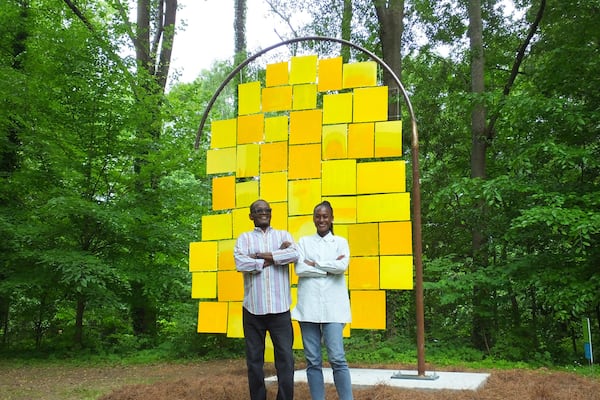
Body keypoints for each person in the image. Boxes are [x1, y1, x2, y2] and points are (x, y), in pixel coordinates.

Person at [234, 199, 299, 400]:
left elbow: (295, 254)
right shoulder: (244, 238)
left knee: (286, 360)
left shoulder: (283, 235)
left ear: (271, 213)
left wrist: (258, 256)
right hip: (253, 309)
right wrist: (276, 256)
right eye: (258, 211)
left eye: (266, 210)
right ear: (251, 216)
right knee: (254, 361)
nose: (263, 213)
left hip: (280, 310)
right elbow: (241, 263)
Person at [292, 200, 353, 400]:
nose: (321, 220)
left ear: (332, 218)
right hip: (307, 308)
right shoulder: (303, 242)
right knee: (313, 360)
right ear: (313, 219)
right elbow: (300, 269)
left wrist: (316, 264)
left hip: (334, 309)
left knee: (337, 358)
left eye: (325, 216)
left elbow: (341, 267)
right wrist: (328, 269)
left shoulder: (341, 242)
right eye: (318, 216)